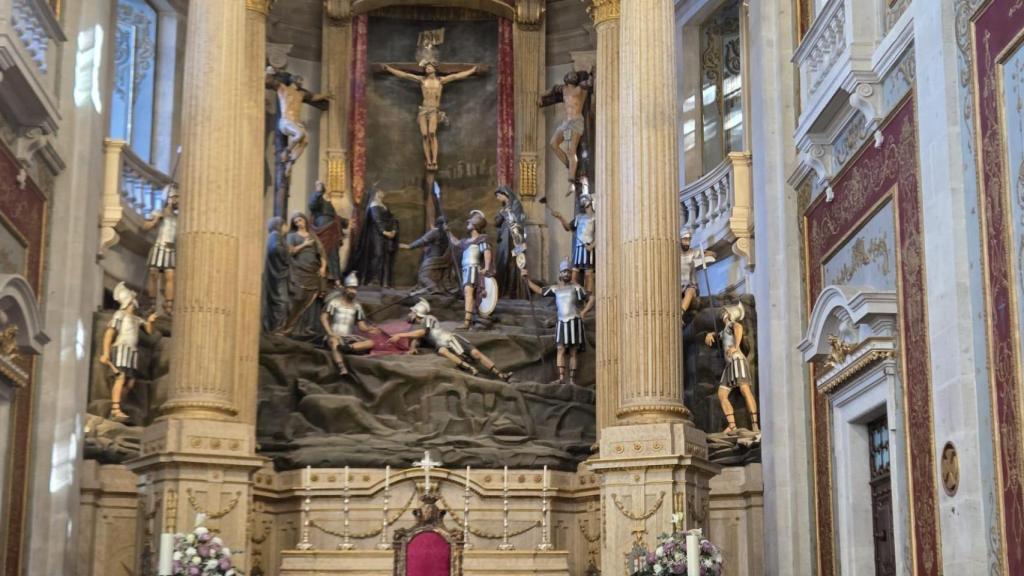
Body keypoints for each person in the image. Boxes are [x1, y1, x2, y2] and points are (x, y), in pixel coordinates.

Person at [380, 62, 481, 170]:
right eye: (426, 67)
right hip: (423, 110)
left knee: (432, 133)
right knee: (425, 135)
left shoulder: (440, 81)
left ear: (434, 69)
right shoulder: (422, 80)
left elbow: (456, 76)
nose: (427, 68)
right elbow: (405, 75)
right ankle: (428, 160)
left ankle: (434, 160)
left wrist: (472, 70)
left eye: (429, 67)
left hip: (433, 110)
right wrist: (389, 69)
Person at [388, 299, 512, 381]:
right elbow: (417, 338)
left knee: (475, 353)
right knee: (442, 351)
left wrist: (400, 335)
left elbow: (422, 332)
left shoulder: (428, 319)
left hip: (451, 338)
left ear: (417, 312)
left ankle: (500, 374)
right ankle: (470, 368)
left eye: (411, 312)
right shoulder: (417, 328)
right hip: (441, 345)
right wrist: (412, 348)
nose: (409, 314)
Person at [521, 258, 593, 385]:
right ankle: (561, 378)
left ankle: (572, 380)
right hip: (561, 322)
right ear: (560, 273)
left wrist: (584, 312)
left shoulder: (576, 287)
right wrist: (527, 280)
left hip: (574, 322)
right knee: (560, 349)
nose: (566, 274)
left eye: (568, 272)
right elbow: (540, 291)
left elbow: (591, 298)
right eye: (564, 271)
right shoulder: (555, 288)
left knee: (573, 351)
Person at [99, 283, 157, 423]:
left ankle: (119, 404)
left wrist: (150, 321)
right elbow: (109, 333)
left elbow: (149, 331)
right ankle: (115, 409)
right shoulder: (120, 315)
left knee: (130, 383)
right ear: (128, 302)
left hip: (132, 352)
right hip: (121, 350)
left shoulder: (136, 319)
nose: (134, 303)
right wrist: (105, 353)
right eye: (132, 301)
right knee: (120, 378)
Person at [704, 304, 759, 434]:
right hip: (729, 365)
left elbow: (738, 327)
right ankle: (732, 426)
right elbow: (719, 335)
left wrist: (736, 347)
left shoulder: (731, 324)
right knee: (722, 395)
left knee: (744, 389)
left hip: (737, 360)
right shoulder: (724, 330)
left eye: (725, 312)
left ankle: (755, 425)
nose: (722, 314)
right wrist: (710, 334)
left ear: (730, 314)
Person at [266, 69, 330, 178]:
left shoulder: (301, 94)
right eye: (299, 80)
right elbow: (269, 81)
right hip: (286, 121)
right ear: (293, 80)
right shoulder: (283, 89)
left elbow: (313, 97)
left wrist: (325, 95)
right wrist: (269, 71)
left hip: (295, 123)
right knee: (300, 134)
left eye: (302, 81)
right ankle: (286, 151)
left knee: (305, 141)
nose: (301, 83)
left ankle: (290, 163)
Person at [277, 212, 327, 338]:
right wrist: (305, 244)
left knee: (309, 301)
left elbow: (321, 253)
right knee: (297, 299)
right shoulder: (292, 236)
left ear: (305, 220)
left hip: (312, 272)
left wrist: (323, 267)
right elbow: (290, 251)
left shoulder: (313, 236)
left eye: (300, 220)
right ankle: (287, 327)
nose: (299, 223)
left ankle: (301, 330)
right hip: (298, 271)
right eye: (296, 222)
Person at [541, 70, 593, 193]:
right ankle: (570, 166)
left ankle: (571, 182)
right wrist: (540, 95)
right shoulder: (563, 89)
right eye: (570, 74)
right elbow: (552, 90)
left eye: (574, 75)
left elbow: (590, 82)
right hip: (566, 124)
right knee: (553, 143)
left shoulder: (580, 88)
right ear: (566, 78)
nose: (573, 75)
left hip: (575, 123)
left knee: (571, 150)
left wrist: (591, 75)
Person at [320, 273, 380, 377]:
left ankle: (348, 348)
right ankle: (341, 367)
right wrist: (330, 333)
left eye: (355, 289)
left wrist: (370, 329)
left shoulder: (357, 306)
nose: (354, 291)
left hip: (348, 338)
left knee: (370, 342)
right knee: (334, 342)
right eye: (351, 288)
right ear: (345, 288)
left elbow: (361, 326)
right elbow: (323, 317)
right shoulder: (334, 302)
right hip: (334, 335)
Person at [448, 210, 492, 329]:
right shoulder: (466, 241)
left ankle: (466, 322)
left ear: (475, 225)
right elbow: (456, 242)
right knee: (468, 293)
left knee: (468, 292)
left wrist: (487, 267)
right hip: (466, 270)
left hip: (473, 269)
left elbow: (486, 251)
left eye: (470, 222)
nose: (467, 223)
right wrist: (448, 232)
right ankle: (471, 318)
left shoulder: (481, 239)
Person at [348, 189, 399, 288]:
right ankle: (373, 279)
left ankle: (384, 281)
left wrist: (393, 230)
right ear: (375, 194)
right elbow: (377, 220)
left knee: (385, 257)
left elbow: (392, 219)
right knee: (377, 255)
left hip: (386, 236)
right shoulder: (374, 205)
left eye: (382, 192)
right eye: (379, 192)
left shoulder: (384, 206)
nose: (382, 194)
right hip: (376, 236)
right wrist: (384, 232)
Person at [142, 187, 178, 314]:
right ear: (169, 199)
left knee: (170, 276)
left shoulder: (178, 217)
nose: (177, 201)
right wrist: (156, 220)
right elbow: (145, 226)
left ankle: (168, 305)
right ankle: (152, 303)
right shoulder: (158, 212)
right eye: (175, 197)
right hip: (159, 246)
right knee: (153, 275)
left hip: (171, 248)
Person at [550, 190, 595, 292]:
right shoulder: (579, 217)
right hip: (578, 249)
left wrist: (592, 246)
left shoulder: (595, 217)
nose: (582, 203)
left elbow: (600, 235)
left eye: (584, 200)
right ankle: (575, 295)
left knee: (588, 275)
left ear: (589, 202)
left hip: (588, 248)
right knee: (574, 276)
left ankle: (588, 296)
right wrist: (560, 217)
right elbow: (568, 228)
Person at [400, 216, 455, 295]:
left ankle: (434, 288)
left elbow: (422, 241)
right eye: (446, 224)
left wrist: (409, 246)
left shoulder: (437, 233)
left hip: (433, 259)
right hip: (443, 260)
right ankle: (438, 288)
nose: (448, 226)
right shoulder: (447, 234)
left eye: (447, 224)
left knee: (423, 276)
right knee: (435, 276)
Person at [308, 180, 347, 284]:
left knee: (334, 254)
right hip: (322, 230)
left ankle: (336, 279)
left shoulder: (329, 203)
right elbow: (312, 205)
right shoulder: (317, 199)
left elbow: (335, 217)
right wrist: (318, 192)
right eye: (318, 185)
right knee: (322, 252)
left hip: (332, 230)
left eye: (321, 185)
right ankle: (323, 278)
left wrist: (346, 222)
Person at [493, 186, 527, 299]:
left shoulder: (516, 204)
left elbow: (518, 221)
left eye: (499, 196)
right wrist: (501, 215)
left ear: (505, 194)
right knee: (502, 262)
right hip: (503, 239)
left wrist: (506, 213)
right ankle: (501, 289)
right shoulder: (503, 208)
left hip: (514, 239)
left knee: (513, 264)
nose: (498, 198)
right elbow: (496, 222)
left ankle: (512, 290)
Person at [262, 216, 290, 332]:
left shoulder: (277, 236)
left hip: (279, 272)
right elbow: (275, 249)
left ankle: (277, 328)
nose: (287, 227)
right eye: (285, 225)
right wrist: (287, 253)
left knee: (282, 302)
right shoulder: (275, 235)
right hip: (277, 274)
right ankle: (277, 328)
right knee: (282, 301)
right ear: (279, 225)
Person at [679, 229, 714, 323]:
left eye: (689, 240)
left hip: (690, 286)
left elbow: (713, 254)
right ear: (680, 240)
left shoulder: (693, 252)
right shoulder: (674, 254)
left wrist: (704, 254)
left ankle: (680, 314)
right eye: (685, 239)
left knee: (690, 291)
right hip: (678, 287)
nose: (687, 242)